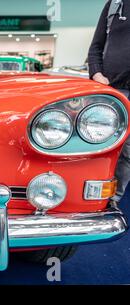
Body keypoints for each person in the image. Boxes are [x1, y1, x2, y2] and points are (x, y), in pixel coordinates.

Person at [88, 0, 130, 206]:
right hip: (112, 90)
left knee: (128, 153)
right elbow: (96, 46)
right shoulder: (115, 4)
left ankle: (112, 200)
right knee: (99, 146)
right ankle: (89, 199)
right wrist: (96, 73)